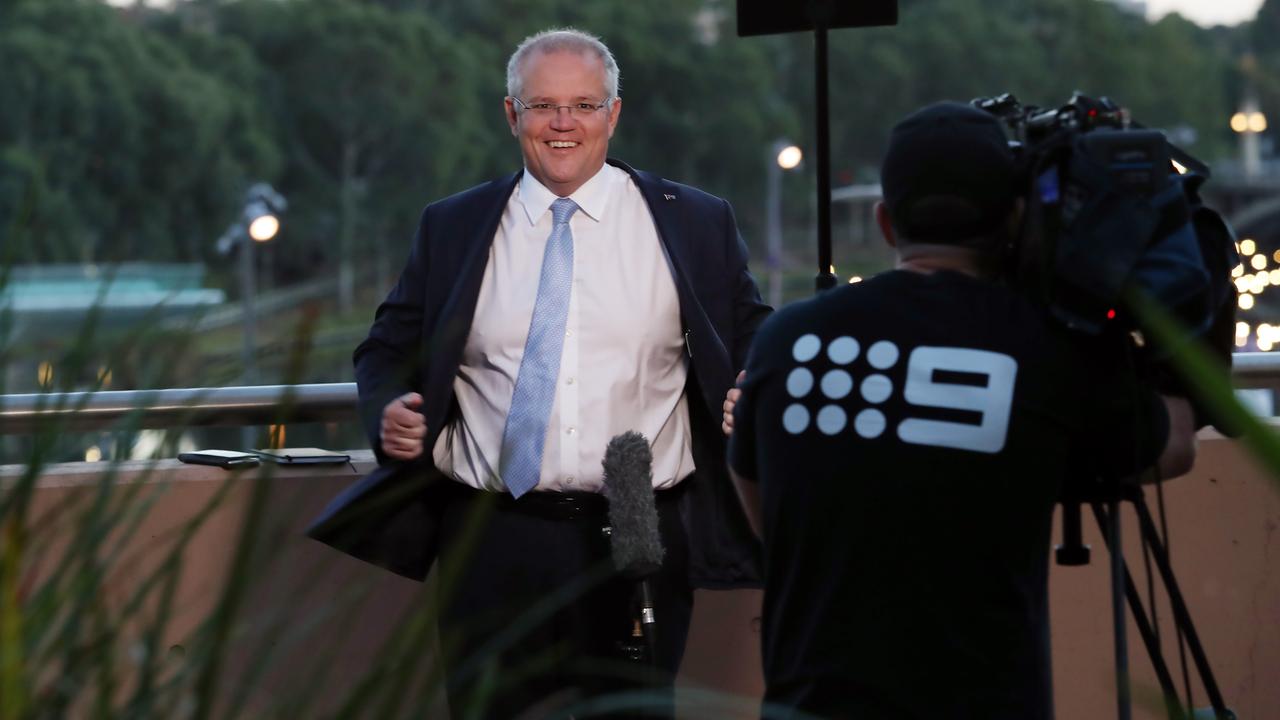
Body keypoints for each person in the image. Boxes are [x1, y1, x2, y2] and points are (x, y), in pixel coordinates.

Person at [307, 27, 770, 718]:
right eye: (543, 106)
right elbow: (385, 349)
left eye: (583, 105)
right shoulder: (453, 225)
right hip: (488, 533)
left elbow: (754, 335)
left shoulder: (694, 222)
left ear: (613, 114)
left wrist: (748, 391)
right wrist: (386, 411)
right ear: (511, 114)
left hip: (638, 527)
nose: (563, 124)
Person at [723, 102, 1197, 720]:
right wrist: (1182, 303)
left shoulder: (789, 338)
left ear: (887, 223)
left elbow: (765, 513)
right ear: (1013, 216)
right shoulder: (1047, 350)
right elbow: (1174, 446)